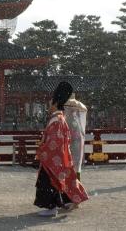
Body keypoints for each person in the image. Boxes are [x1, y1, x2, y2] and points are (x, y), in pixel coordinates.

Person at [34, 82, 88, 217]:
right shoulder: (59, 118)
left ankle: (51, 207)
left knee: (48, 182)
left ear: (54, 103)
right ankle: (63, 202)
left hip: (52, 157)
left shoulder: (57, 119)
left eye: (50, 102)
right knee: (64, 178)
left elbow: (54, 142)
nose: (48, 105)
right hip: (58, 155)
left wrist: (43, 150)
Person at [64, 93, 87, 181]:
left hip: (74, 141)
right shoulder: (73, 119)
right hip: (75, 141)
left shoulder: (66, 119)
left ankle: (74, 182)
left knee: (73, 163)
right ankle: (75, 182)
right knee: (74, 164)